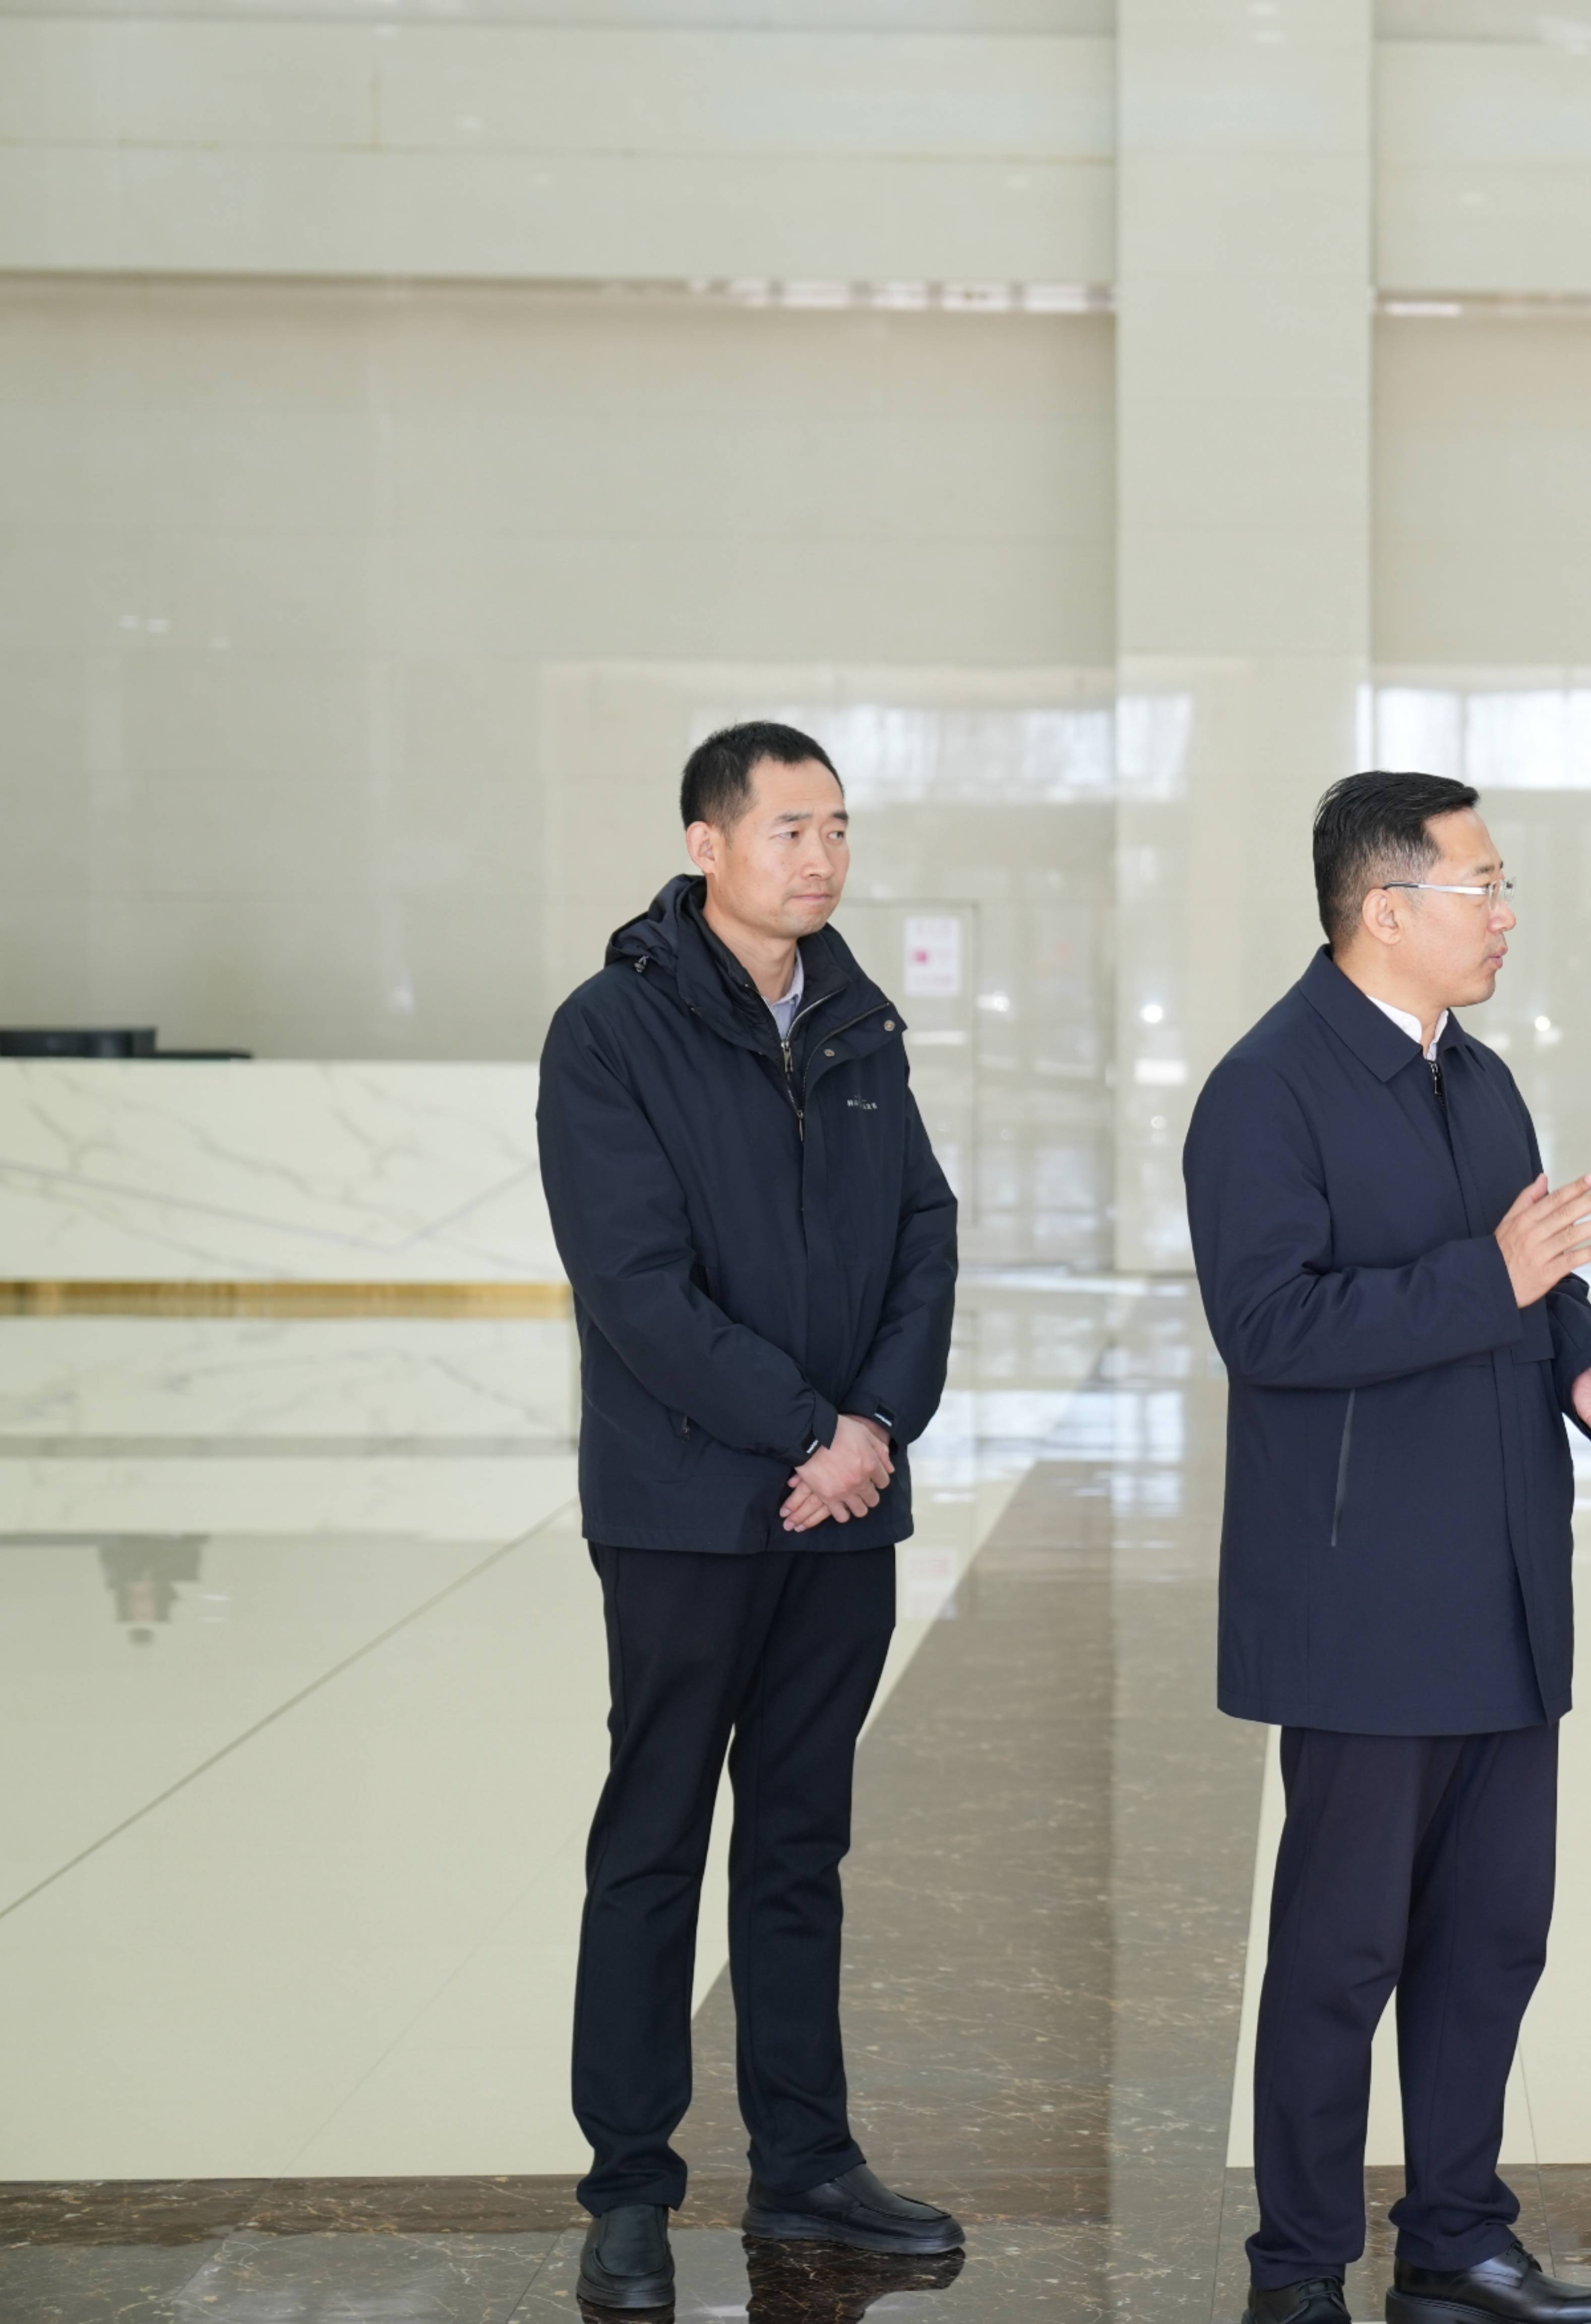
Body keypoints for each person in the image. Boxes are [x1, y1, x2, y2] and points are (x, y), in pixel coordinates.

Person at [1186, 771, 1591, 2324]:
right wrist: (1497, 1279)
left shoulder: (1479, 1076)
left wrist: (1588, 1362)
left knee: (1489, 1941)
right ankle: (1299, 2269)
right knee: (1341, 1957)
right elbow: (1269, 1326)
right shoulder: (1268, 1090)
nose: (1507, 915)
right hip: (1363, 1600)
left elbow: (1535, 1277)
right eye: (1486, 886)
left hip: (1504, 1584)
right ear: (1387, 908)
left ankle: (1459, 2238)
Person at [535, 720, 965, 2312]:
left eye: (838, 828)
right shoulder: (611, 1029)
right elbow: (636, 1286)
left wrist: (875, 1431)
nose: (823, 857)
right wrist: (809, 1430)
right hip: (684, 1511)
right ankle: (628, 2187)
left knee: (800, 1846)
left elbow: (925, 1231)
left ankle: (808, 2160)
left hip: (840, 1515)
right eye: (791, 829)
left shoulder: (858, 1023)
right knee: (654, 1843)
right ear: (706, 843)